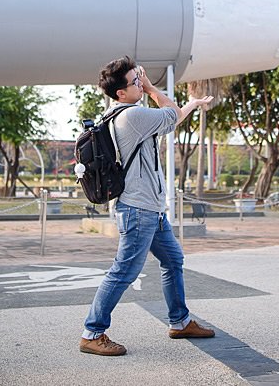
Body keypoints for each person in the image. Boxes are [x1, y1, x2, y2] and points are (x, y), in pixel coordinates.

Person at [80, 56, 215, 357]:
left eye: (139, 79)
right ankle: (92, 332)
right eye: (135, 82)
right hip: (139, 210)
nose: (140, 84)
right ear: (120, 94)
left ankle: (179, 322)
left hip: (149, 209)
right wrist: (153, 88)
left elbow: (174, 117)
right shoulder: (132, 118)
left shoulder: (126, 115)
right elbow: (172, 112)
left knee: (173, 259)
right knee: (124, 271)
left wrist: (190, 105)